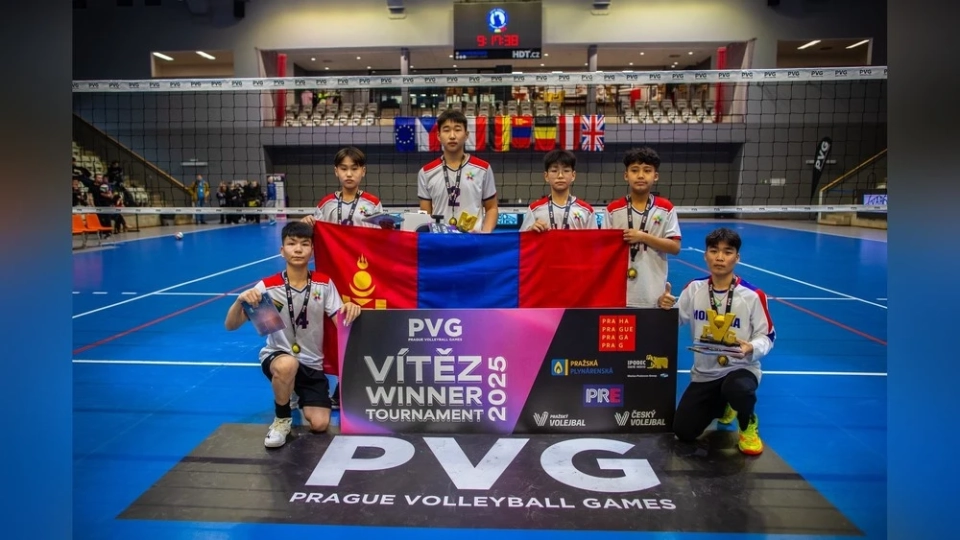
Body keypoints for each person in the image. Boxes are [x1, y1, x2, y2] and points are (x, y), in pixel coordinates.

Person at [224, 221, 362, 448]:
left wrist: (351, 309)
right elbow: (231, 325)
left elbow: (341, 324)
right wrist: (240, 301)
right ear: (282, 250)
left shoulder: (324, 284)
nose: (298, 249)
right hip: (278, 356)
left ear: (312, 251)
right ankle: (282, 418)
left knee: (319, 424)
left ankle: (295, 389)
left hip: (311, 363)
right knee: (287, 365)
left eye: (304, 244)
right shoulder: (268, 286)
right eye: (291, 243)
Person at [657, 227, 775, 455]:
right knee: (684, 431)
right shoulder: (694, 289)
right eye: (714, 251)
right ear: (705, 255)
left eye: (727, 252)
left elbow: (768, 335)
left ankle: (747, 423)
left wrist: (752, 347)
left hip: (740, 368)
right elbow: (675, 320)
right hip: (705, 373)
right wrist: (664, 305)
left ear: (737, 258)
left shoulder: (752, 295)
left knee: (739, 389)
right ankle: (723, 404)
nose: (720, 257)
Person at [603, 146, 681, 307]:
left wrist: (643, 237)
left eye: (647, 170)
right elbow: (603, 251)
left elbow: (675, 247)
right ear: (626, 175)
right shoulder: (613, 210)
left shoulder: (665, 208)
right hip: (619, 293)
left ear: (655, 176)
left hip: (653, 294)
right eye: (634, 170)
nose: (640, 175)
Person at [417, 110, 499, 232]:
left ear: (466, 135)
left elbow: (492, 207)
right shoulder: (426, 172)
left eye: (457, 129)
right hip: (440, 239)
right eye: (446, 130)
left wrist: (485, 233)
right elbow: (425, 214)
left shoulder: (483, 169)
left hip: (473, 239)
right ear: (438, 136)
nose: (452, 136)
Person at [302, 146, 383, 228]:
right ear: (336, 171)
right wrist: (306, 223)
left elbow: (380, 233)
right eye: (344, 169)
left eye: (354, 169)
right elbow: (315, 231)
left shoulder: (373, 203)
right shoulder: (326, 204)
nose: (349, 174)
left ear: (363, 171)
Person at [520, 149, 597, 232]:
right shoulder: (534, 209)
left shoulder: (586, 211)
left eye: (566, 171)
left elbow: (595, 239)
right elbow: (521, 239)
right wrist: (530, 231)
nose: (560, 176)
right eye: (554, 171)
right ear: (546, 176)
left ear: (573, 175)